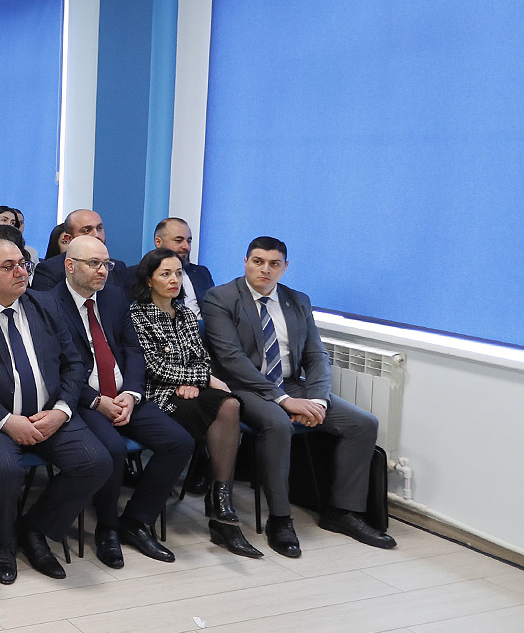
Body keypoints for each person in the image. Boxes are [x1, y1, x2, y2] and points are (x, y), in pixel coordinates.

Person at [0, 237, 112, 585]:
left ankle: (34, 529)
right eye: (9, 266)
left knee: (96, 462)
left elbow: (75, 364)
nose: (21, 272)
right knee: (4, 469)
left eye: (23, 264)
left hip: (47, 413)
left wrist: (61, 411)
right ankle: (3, 542)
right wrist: (6, 421)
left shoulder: (44, 304)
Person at [202, 238, 395, 556]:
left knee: (363, 424)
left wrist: (318, 400)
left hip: (292, 385)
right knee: (278, 424)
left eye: (274, 264)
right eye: (258, 261)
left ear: (285, 267)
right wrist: (283, 400)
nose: (265, 269)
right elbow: (231, 359)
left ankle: (342, 512)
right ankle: (280, 520)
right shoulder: (220, 298)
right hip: (243, 387)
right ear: (246, 262)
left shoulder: (298, 301)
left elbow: (316, 355)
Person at [30, 236, 192, 567]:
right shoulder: (47, 304)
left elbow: (132, 349)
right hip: (82, 399)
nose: (103, 271)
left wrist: (131, 393)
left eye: (106, 264)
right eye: (94, 264)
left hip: (123, 394)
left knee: (179, 442)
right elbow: (53, 368)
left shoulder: (114, 296)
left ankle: (136, 520)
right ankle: (107, 528)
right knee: (114, 450)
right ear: (70, 265)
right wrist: (95, 401)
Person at [129, 249, 257, 558]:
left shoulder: (185, 314)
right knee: (216, 407)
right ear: (149, 280)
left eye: (178, 273)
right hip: (157, 396)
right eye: (165, 274)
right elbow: (154, 367)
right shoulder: (136, 315)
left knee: (229, 405)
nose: (174, 280)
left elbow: (201, 357)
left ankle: (221, 499)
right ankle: (219, 513)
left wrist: (194, 381)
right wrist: (200, 379)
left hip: (190, 392)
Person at [31, 210, 129, 293]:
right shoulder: (50, 270)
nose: (97, 235)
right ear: (69, 239)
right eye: (87, 230)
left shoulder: (117, 268)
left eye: (99, 228)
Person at [153, 216, 216, 308]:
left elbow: (214, 308)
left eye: (189, 241)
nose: (186, 247)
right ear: (158, 242)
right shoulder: (140, 275)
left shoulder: (201, 273)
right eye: (178, 241)